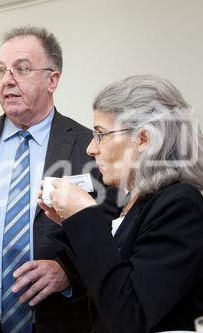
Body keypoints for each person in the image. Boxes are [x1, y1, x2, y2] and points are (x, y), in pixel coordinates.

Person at [0, 26, 120, 333]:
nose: (8, 79)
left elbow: (111, 227)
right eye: (1, 70)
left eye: (22, 69)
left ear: (52, 80)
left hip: (57, 320)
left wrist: (68, 272)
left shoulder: (87, 145)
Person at [39, 74, 203, 332]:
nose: (91, 148)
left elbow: (129, 315)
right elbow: (107, 286)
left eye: (101, 134)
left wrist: (83, 217)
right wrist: (71, 222)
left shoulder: (181, 205)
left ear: (144, 139)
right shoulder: (138, 203)